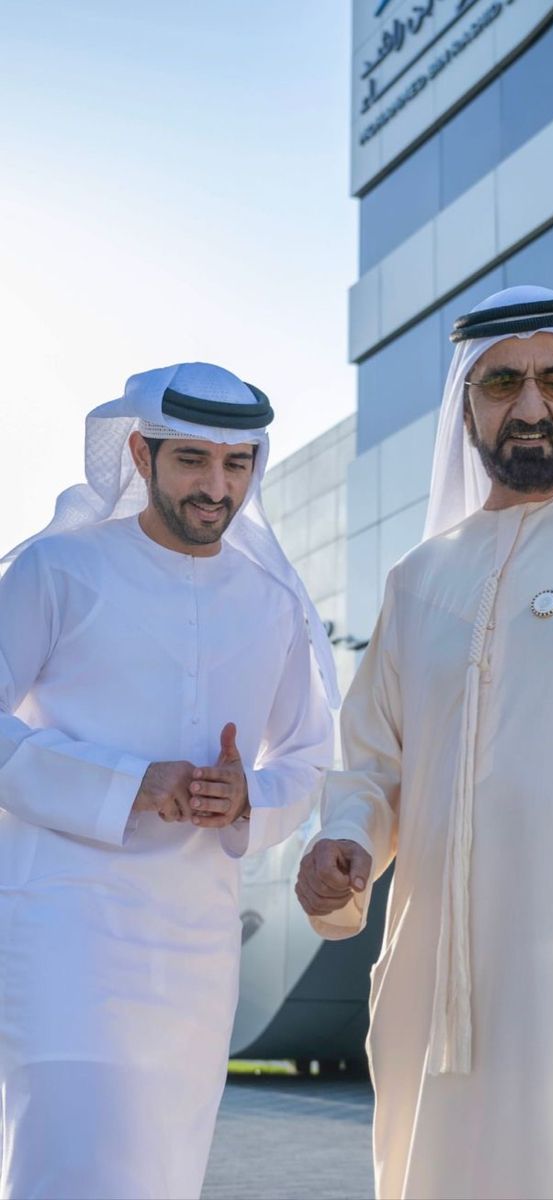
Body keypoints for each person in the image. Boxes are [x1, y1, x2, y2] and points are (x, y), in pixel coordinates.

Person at [296, 287, 553, 1200]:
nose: (532, 407)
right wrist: (342, 846)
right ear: (466, 404)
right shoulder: (418, 580)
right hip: (442, 993)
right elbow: (372, 767)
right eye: (503, 382)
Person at [0, 362, 338, 1200]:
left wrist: (248, 796)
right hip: (64, 927)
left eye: (236, 464)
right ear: (142, 452)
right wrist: (128, 782)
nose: (215, 487)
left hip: (195, 946)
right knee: (71, 1162)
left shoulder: (274, 602)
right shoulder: (54, 570)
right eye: (191, 459)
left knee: (160, 1174)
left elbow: (306, 753)